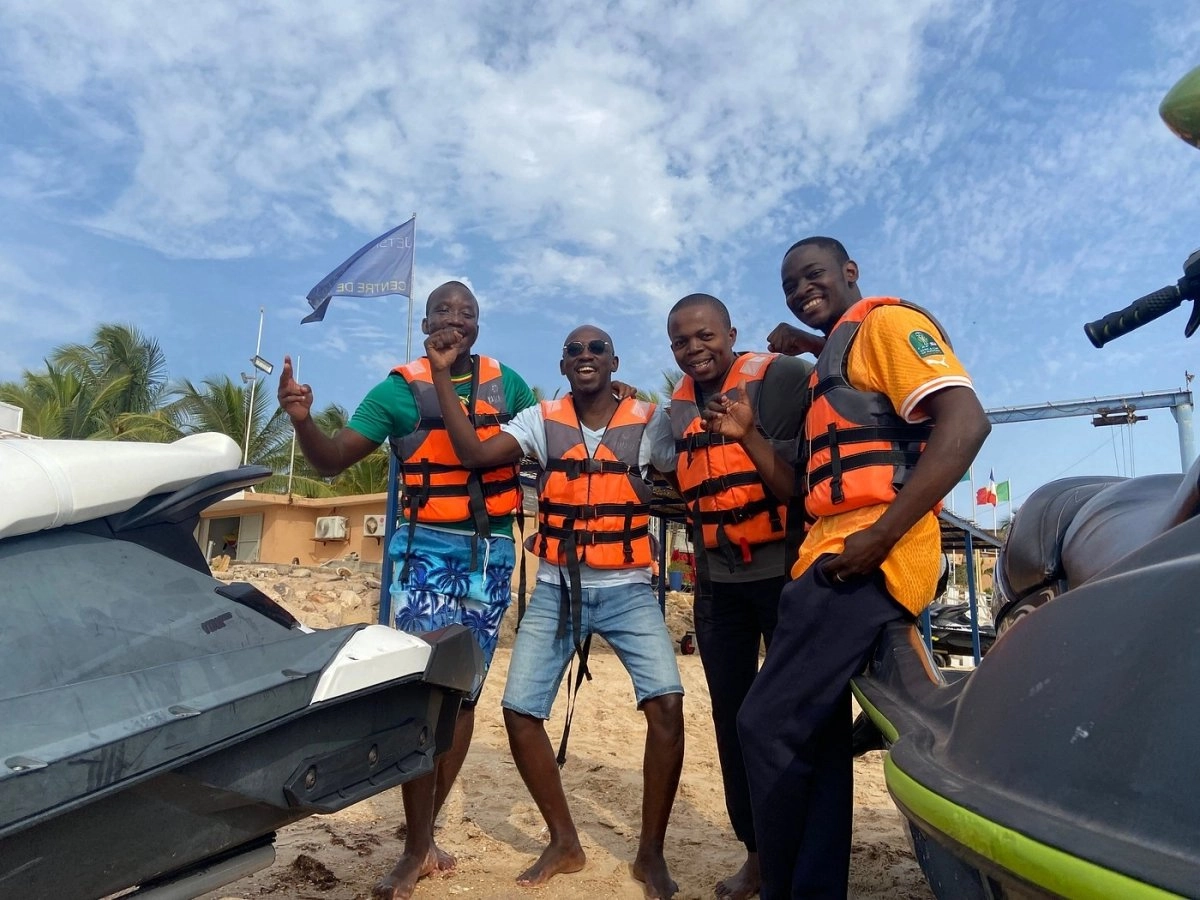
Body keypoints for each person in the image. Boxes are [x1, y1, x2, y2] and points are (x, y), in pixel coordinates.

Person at [732, 237, 990, 898]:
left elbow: (967, 424)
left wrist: (880, 535)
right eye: (790, 285)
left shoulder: (889, 324)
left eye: (813, 275)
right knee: (814, 738)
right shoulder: (836, 360)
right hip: (828, 556)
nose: (801, 290)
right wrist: (753, 431)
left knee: (764, 724)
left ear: (850, 271)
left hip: (866, 559)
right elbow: (804, 489)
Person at [277, 281, 537, 900]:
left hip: (490, 555)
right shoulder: (396, 390)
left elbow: (551, 435)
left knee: (464, 698)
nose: (455, 319)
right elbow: (331, 461)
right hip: (424, 556)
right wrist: (303, 420)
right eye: (443, 310)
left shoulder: (511, 386)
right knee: (424, 696)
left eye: (467, 312)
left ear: (479, 325)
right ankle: (416, 847)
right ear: (424, 323)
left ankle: (425, 833)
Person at [425, 322, 685, 900]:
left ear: (615, 362)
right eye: (574, 350)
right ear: (563, 365)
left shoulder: (651, 421)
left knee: (668, 703)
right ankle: (564, 840)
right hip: (556, 586)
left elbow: (692, 462)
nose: (585, 355)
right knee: (519, 710)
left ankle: (650, 852)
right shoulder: (540, 420)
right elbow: (473, 453)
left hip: (628, 587)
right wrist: (442, 374)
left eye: (597, 349)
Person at [654, 293, 819, 900]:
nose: (693, 349)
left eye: (705, 336)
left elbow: (800, 483)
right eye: (680, 341)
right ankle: (757, 853)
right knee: (732, 721)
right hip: (718, 587)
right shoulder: (673, 410)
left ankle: (805, 852)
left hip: (782, 575)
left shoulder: (779, 378)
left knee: (796, 720)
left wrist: (809, 343)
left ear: (730, 333)